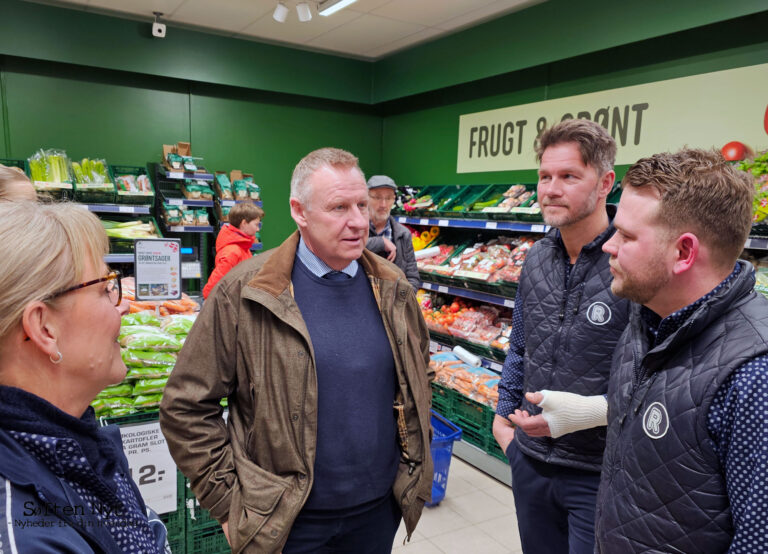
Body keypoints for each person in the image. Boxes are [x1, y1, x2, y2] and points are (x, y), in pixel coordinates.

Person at [160, 147, 433, 554]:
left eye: (361, 204)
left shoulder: (393, 287)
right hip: (285, 524)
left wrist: (413, 463)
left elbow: (418, 375)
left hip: (377, 513)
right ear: (299, 211)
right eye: (339, 207)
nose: (358, 221)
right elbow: (185, 406)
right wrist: (228, 506)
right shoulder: (245, 291)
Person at [593, 149, 768, 552]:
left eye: (628, 235)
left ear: (684, 253)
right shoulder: (645, 318)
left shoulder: (754, 375)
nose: (609, 246)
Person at [491, 119, 631, 554]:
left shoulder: (629, 262)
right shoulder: (535, 259)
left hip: (598, 471)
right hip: (530, 461)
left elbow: (651, 371)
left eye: (569, 176)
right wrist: (503, 419)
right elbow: (520, 344)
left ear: (605, 182)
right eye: (545, 176)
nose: (551, 189)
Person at [0, 201, 166, 553]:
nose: (122, 306)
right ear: (44, 328)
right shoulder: (21, 530)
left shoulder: (76, 444)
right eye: (105, 288)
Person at [365, 175, 420, 291]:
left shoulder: (403, 234)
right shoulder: (356, 228)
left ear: (394, 199)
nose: (383, 204)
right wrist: (380, 242)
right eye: (377, 197)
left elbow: (412, 277)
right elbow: (342, 252)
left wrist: (401, 303)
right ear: (366, 198)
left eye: (389, 198)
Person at [202, 200, 264, 299]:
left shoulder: (243, 248)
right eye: (256, 225)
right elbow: (212, 289)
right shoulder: (232, 252)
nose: (258, 229)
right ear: (244, 223)